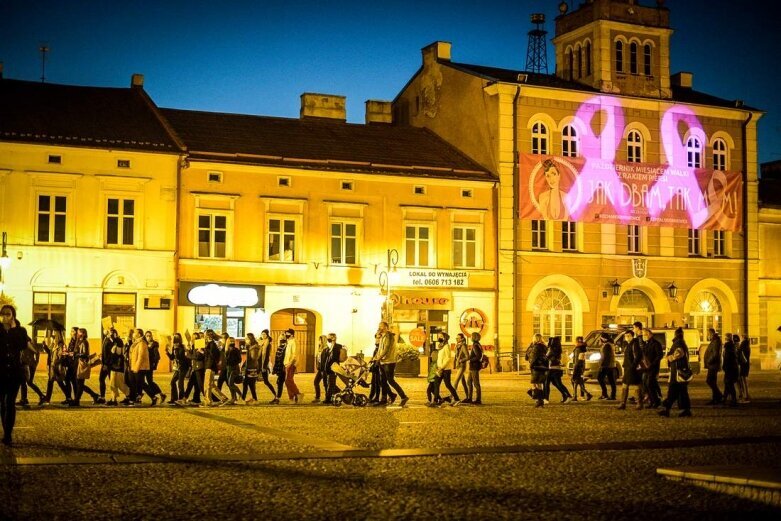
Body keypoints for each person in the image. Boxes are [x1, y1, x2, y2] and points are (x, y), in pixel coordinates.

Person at [1, 305, 31, 446]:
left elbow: (21, 345)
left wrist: (12, 329)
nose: (5, 317)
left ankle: (8, 435)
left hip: (14, 372)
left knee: (10, 402)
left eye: (8, 314)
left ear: (13, 315)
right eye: (3, 314)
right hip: (0, 371)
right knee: (2, 403)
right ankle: (6, 430)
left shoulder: (20, 331)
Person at [658, 327, 692, 417]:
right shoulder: (682, 342)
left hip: (677, 371)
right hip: (680, 371)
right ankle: (686, 410)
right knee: (682, 391)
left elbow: (678, 354)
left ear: (675, 334)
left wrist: (669, 357)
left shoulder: (678, 343)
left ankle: (667, 409)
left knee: (673, 391)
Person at [374, 321, 408, 407]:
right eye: (379, 326)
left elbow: (386, 349)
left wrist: (379, 357)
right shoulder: (382, 337)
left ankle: (403, 396)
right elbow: (380, 348)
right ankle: (385, 398)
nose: (379, 328)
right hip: (383, 361)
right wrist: (376, 357)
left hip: (389, 362)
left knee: (391, 381)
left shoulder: (389, 336)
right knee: (383, 381)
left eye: (381, 326)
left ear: (386, 327)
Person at [617, 330, 644, 410]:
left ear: (632, 336)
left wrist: (633, 366)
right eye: (626, 336)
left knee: (636, 385)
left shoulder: (634, 344)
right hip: (628, 368)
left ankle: (639, 403)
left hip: (633, 368)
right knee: (625, 384)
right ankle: (623, 403)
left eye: (628, 336)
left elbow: (638, 356)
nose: (627, 337)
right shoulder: (628, 345)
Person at [41, 330, 71, 405]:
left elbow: (61, 356)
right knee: (52, 382)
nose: (53, 335)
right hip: (52, 365)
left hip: (57, 366)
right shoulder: (54, 343)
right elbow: (49, 352)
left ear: (58, 335)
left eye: (54, 333)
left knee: (58, 382)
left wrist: (56, 362)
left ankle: (68, 397)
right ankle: (48, 399)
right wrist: (44, 346)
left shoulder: (60, 344)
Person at [72, 328, 100, 406]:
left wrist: (75, 354)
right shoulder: (79, 341)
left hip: (82, 365)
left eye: (79, 333)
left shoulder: (84, 342)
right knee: (80, 384)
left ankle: (77, 400)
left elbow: (85, 354)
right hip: (79, 364)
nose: (77, 334)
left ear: (83, 334)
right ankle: (93, 395)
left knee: (80, 384)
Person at [17, 333, 45, 407]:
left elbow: (36, 352)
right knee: (23, 382)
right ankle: (24, 399)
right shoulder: (24, 343)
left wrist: (36, 363)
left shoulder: (27, 342)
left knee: (29, 382)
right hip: (26, 364)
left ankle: (42, 396)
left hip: (29, 365)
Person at [544, 336, 572, 403]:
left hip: (551, 368)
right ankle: (566, 395)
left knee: (547, 383)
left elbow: (546, 357)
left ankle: (546, 398)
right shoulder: (558, 348)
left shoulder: (551, 349)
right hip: (557, 368)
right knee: (557, 383)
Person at [204, 330, 228, 406]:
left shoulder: (212, 344)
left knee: (207, 385)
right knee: (211, 385)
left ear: (208, 336)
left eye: (205, 335)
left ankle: (208, 401)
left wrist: (204, 350)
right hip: (210, 366)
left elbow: (213, 355)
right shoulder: (212, 344)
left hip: (210, 366)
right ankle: (223, 398)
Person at [107, 330, 131, 406]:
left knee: (120, 383)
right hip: (113, 365)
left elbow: (119, 353)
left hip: (118, 366)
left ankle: (129, 395)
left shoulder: (118, 341)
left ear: (115, 334)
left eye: (111, 333)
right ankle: (113, 399)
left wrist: (113, 350)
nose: (109, 335)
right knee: (112, 383)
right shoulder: (112, 341)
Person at [641, 328, 663, 408]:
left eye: (644, 335)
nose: (643, 337)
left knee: (650, 384)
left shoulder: (656, 344)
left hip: (653, 367)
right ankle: (652, 401)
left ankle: (656, 401)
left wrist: (653, 363)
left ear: (649, 334)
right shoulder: (646, 344)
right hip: (646, 367)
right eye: (643, 335)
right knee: (647, 384)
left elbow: (659, 355)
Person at [436, 332, 459, 404]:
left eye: (441, 336)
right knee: (436, 384)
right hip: (440, 368)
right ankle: (437, 400)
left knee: (448, 385)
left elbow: (448, 358)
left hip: (445, 369)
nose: (439, 338)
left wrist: (442, 367)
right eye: (438, 336)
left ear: (445, 338)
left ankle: (456, 399)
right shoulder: (441, 346)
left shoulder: (446, 346)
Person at [129, 328, 151, 404]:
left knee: (141, 384)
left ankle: (154, 397)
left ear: (139, 334)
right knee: (133, 382)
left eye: (135, 333)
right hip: (133, 366)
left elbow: (140, 357)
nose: (133, 334)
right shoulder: (136, 342)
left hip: (140, 367)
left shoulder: (142, 343)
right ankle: (133, 398)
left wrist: (136, 367)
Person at [526, 334, 548, 407]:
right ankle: (539, 400)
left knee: (534, 384)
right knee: (538, 384)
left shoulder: (536, 347)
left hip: (535, 366)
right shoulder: (544, 346)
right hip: (542, 367)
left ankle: (538, 400)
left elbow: (533, 357)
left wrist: (531, 365)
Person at [167, 333, 189, 405]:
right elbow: (172, 357)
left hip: (183, 367)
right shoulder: (174, 347)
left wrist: (176, 349)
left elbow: (179, 357)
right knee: (173, 382)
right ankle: (174, 398)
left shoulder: (182, 347)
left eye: (175, 338)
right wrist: (167, 352)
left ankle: (180, 398)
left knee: (180, 383)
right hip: (177, 368)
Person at [144, 331, 165, 405]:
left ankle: (157, 395)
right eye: (147, 336)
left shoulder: (154, 345)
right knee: (148, 381)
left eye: (149, 336)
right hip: (144, 365)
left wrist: (154, 364)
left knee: (149, 381)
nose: (148, 337)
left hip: (149, 366)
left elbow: (157, 356)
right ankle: (160, 394)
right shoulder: (144, 343)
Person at [283, 328, 304, 404]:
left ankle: (298, 394)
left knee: (288, 380)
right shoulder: (288, 342)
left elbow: (294, 354)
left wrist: (290, 363)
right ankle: (291, 398)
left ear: (291, 334)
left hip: (291, 363)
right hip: (286, 363)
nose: (286, 335)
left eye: (287, 334)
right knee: (288, 380)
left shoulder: (294, 342)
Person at [703, 328, 723, 405]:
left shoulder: (715, 341)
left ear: (711, 334)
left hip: (713, 365)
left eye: (708, 334)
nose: (708, 336)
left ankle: (719, 395)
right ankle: (715, 398)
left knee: (710, 381)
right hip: (712, 365)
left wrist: (709, 361)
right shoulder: (714, 341)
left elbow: (715, 354)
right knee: (712, 382)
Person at [325, 333, 345, 404]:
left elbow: (337, 358)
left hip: (334, 367)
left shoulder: (338, 346)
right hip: (329, 368)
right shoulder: (330, 347)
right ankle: (341, 394)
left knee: (331, 383)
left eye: (329, 337)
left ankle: (328, 399)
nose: (328, 339)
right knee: (331, 383)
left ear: (333, 338)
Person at [465, 332, 484, 406]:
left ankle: (478, 399)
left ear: (474, 337)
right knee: (469, 382)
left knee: (476, 383)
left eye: (471, 336)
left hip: (474, 366)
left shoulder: (475, 345)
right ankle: (469, 398)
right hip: (473, 366)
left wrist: (471, 360)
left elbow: (478, 356)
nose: (470, 338)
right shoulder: (477, 344)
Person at [570, 336, 592, 401]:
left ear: (577, 342)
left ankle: (575, 396)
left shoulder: (578, 349)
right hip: (581, 367)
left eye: (576, 341)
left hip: (578, 367)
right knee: (579, 382)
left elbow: (578, 361)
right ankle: (587, 394)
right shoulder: (582, 349)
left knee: (575, 381)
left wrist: (575, 371)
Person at [257, 330, 277, 401]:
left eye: (264, 334)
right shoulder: (260, 343)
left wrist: (264, 366)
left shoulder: (268, 344)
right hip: (258, 364)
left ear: (267, 335)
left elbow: (266, 356)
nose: (263, 336)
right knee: (250, 381)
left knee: (266, 381)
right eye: (262, 334)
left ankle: (276, 395)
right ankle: (252, 397)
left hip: (263, 364)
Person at [242, 333, 261, 405]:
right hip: (249, 367)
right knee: (247, 384)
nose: (245, 340)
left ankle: (253, 399)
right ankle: (246, 398)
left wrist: (249, 349)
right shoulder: (250, 346)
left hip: (252, 368)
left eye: (247, 339)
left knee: (250, 384)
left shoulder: (254, 347)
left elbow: (254, 357)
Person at [597, 334, 616, 400]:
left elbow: (606, 357)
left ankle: (605, 394)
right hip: (611, 365)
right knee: (612, 381)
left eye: (600, 338)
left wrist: (602, 366)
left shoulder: (607, 346)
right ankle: (612, 395)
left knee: (599, 378)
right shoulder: (610, 344)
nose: (599, 340)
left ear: (603, 339)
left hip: (606, 366)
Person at [722, 333, 739, 407]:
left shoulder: (728, 346)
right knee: (727, 383)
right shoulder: (732, 346)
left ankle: (734, 400)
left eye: (726, 337)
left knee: (729, 384)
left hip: (730, 368)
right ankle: (724, 399)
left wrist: (724, 366)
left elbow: (727, 358)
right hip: (732, 367)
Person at [452, 333, 470, 400]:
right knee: (463, 382)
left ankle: (452, 397)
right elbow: (456, 356)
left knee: (456, 381)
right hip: (458, 366)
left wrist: (460, 360)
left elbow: (467, 357)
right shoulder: (458, 345)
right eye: (456, 338)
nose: (457, 339)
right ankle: (468, 397)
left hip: (462, 366)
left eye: (458, 338)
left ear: (462, 339)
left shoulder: (463, 346)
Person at [270, 336, 287, 404]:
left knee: (282, 382)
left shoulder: (284, 347)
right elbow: (277, 358)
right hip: (280, 367)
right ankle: (277, 397)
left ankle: (296, 394)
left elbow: (280, 358)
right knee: (280, 382)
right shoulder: (280, 347)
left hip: (283, 367)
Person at [312, 335, 328, 403]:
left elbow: (325, 360)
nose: (319, 341)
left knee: (325, 384)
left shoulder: (326, 349)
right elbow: (318, 359)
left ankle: (328, 398)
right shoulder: (319, 348)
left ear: (323, 340)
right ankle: (317, 397)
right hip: (320, 369)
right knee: (316, 382)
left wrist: (323, 369)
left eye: (320, 340)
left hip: (324, 369)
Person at [737, 333, 751, 403]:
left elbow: (741, 355)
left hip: (743, 364)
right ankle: (746, 395)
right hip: (746, 364)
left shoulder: (743, 345)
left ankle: (746, 395)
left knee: (743, 380)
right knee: (744, 380)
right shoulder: (747, 344)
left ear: (743, 337)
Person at [426, 340, 441, 406]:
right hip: (431, 379)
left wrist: (431, 378)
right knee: (431, 390)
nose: (431, 357)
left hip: (433, 379)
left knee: (429, 390)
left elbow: (433, 372)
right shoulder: (432, 363)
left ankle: (432, 401)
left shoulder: (436, 364)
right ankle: (439, 399)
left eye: (432, 356)